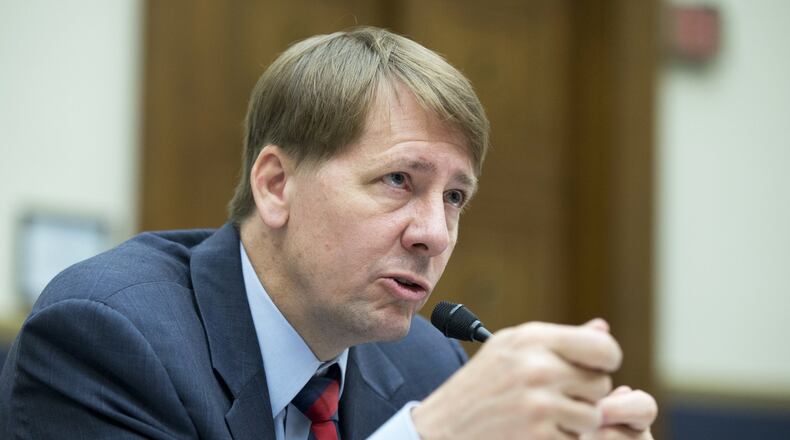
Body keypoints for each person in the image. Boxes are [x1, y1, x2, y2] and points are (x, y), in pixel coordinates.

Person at [0, 27, 657, 439]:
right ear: (277, 185)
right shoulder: (108, 338)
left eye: (455, 197)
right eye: (400, 180)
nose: (434, 233)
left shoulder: (428, 364)